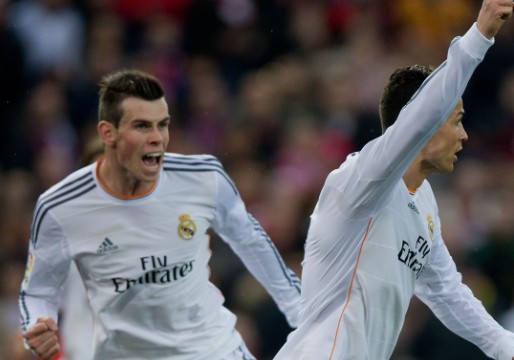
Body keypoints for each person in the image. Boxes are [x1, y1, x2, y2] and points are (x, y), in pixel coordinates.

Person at [274, 0, 514, 359]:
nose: (464, 135)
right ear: (424, 123)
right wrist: (478, 37)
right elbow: (422, 113)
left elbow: (447, 291)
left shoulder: (422, 200)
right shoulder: (361, 181)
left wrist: (510, 352)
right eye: (456, 120)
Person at [18, 69, 301, 360]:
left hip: (214, 350)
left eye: (162, 125)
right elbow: (37, 292)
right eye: (142, 126)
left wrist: (300, 311)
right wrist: (37, 325)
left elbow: (252, 242)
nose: (157, 139)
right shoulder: (60, 207)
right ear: (108, 132)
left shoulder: (203, 177)